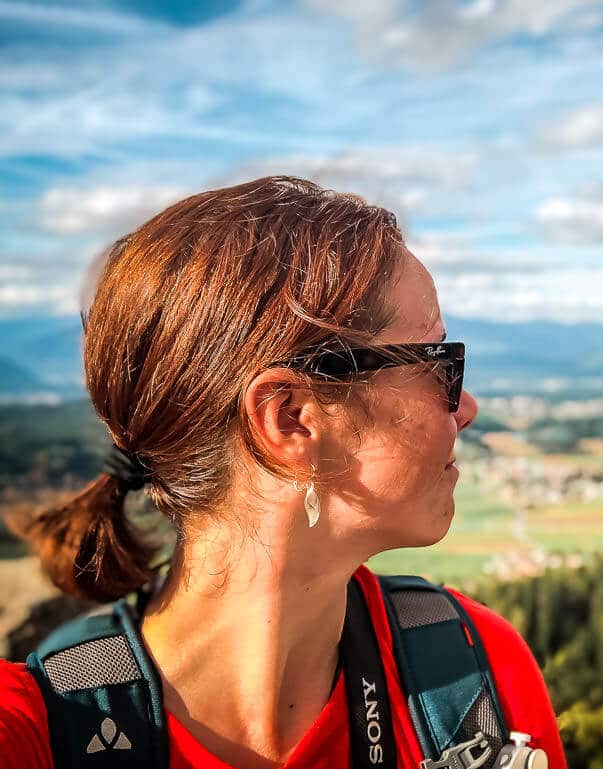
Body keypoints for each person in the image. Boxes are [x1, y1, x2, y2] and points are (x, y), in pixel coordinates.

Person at [0, 177, 567, 769]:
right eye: (437, 364)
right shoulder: (33, 733)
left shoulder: (476, 674)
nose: (467, 406)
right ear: (290, 420)